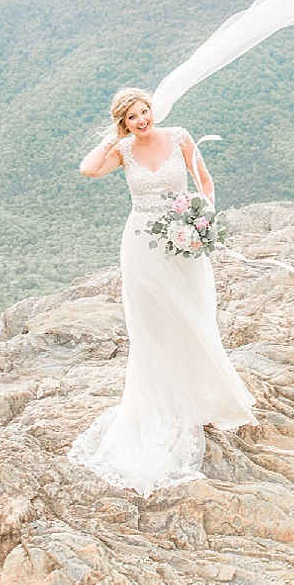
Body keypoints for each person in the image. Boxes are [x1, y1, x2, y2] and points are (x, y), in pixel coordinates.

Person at [69, 87, 256, 494]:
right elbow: (87, 169)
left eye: (145, 112)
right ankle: (156, 404)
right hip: (140, 243)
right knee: (151, 324)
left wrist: (200, 219)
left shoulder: (181, 137)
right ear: (123, 121)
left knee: (189, 315)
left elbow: (205, 181)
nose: (142, 120)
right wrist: (110, 138)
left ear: (153, 110)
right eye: (132, 116)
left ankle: (197, 397)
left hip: (184, 239)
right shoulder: (122, 151)